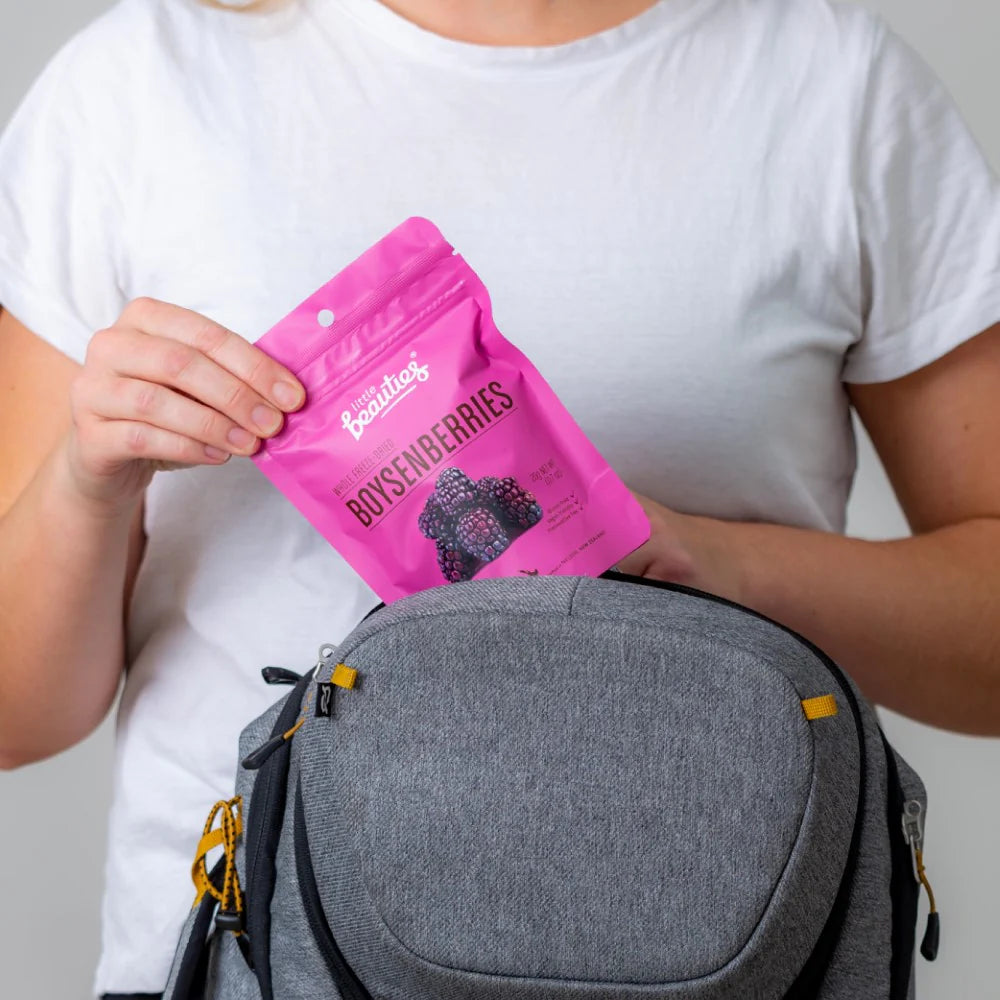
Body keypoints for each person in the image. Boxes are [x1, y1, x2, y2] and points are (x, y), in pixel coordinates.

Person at [1, 0, 998, 996]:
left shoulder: (834, 87)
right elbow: (17, 714)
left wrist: (719, 566)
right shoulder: (139, 85)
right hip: (254, 961)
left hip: (737, 949)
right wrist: (92, 479)